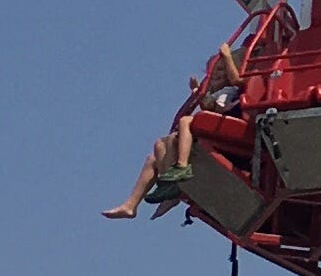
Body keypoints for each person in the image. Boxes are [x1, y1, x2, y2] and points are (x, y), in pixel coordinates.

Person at [106, 37, 249, 218]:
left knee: (185, 122)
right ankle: (132, 205)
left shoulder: (234, 89)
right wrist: (198, 93)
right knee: (156, 152)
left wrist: (227, 57)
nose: (216, 75)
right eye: (213, 72)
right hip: (217, 127)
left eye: (221, 70)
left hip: (225, 129)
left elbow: (227, 91)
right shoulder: (223, 93)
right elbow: (210, 106)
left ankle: (179, 174)